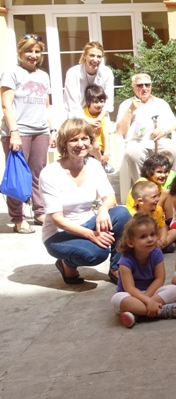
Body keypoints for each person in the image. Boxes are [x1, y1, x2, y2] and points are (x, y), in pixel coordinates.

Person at [40, 119, 131, 284]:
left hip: (89, 222)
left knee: (122, 213)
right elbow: (57, 220)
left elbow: (110, 198)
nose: (80, 144)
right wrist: (92, 235)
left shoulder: (94, 165)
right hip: (59, 234)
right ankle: (67, 263)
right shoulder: (50, 173)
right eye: (73, 140)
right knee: (96, 254)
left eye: (84, 138)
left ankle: (116, 268)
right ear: (64, 143)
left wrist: (103, 210)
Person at [1, 33, 57, 232]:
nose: (33, 55)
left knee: (38, 173)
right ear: (20, 52)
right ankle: (18, 218)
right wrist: (14, 132)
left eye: (37, 51)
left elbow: (47, 106)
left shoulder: (43, 76)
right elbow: (6, 105)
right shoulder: (12, 73)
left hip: (40, 131)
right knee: (17, 175)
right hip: (19, 132)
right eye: (29, 51)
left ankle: (39, 212)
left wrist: (52, 130)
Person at [112, 213, 176, 328]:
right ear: (131, 243)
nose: (150, 239)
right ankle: (163, 311)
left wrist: (148, 300)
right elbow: (129, 288)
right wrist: (147, 301)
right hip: (131, 295)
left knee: (174, 289)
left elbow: (159, 279)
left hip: (151, 292)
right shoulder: (125, 261)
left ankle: (137, 313)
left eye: (152, 234)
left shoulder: (157, 253)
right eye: (143, 237)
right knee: (116, 299)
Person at [117, 73, 176, 178]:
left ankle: (172, 183)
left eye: (147, 85)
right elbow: (120, 131)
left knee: (173, 151)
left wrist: (164, 131)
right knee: (132, 154)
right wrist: (130, 110)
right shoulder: (126, 104)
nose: (144, 88)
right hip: (137, 142)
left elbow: (175, 125)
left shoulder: (161, 103)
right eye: (140, 85)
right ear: (133, 88)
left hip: (160, 140)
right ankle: (142, 184)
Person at [63, 41, 116, 120]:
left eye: (99, 56)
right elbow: (73, 104)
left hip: (99, 117)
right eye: (92, 55)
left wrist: (98, 120)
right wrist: (88, 121)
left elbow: (109, 101)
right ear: (84, 55)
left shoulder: (106, 73)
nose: (95, 59)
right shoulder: (73, 73)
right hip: (76, 119)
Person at [130, 180, 170, 251]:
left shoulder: (158, 209)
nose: (158, 199)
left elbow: (163, 227)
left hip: (157, 238)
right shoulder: (132, 215)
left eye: (158, 195)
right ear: (140, 201)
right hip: (144, 241)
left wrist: (162, 239)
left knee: (175, 232)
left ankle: (158, 246)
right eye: (154, 197)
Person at [83, 85, 114, 173]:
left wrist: (106, 152)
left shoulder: (103, 116)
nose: (99, 104)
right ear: (88, 102)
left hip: (101, 150)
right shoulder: (83, 114)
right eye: (95, 102)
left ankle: (103, 163)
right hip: (87, 149)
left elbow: (106, 135)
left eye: (101, 101)